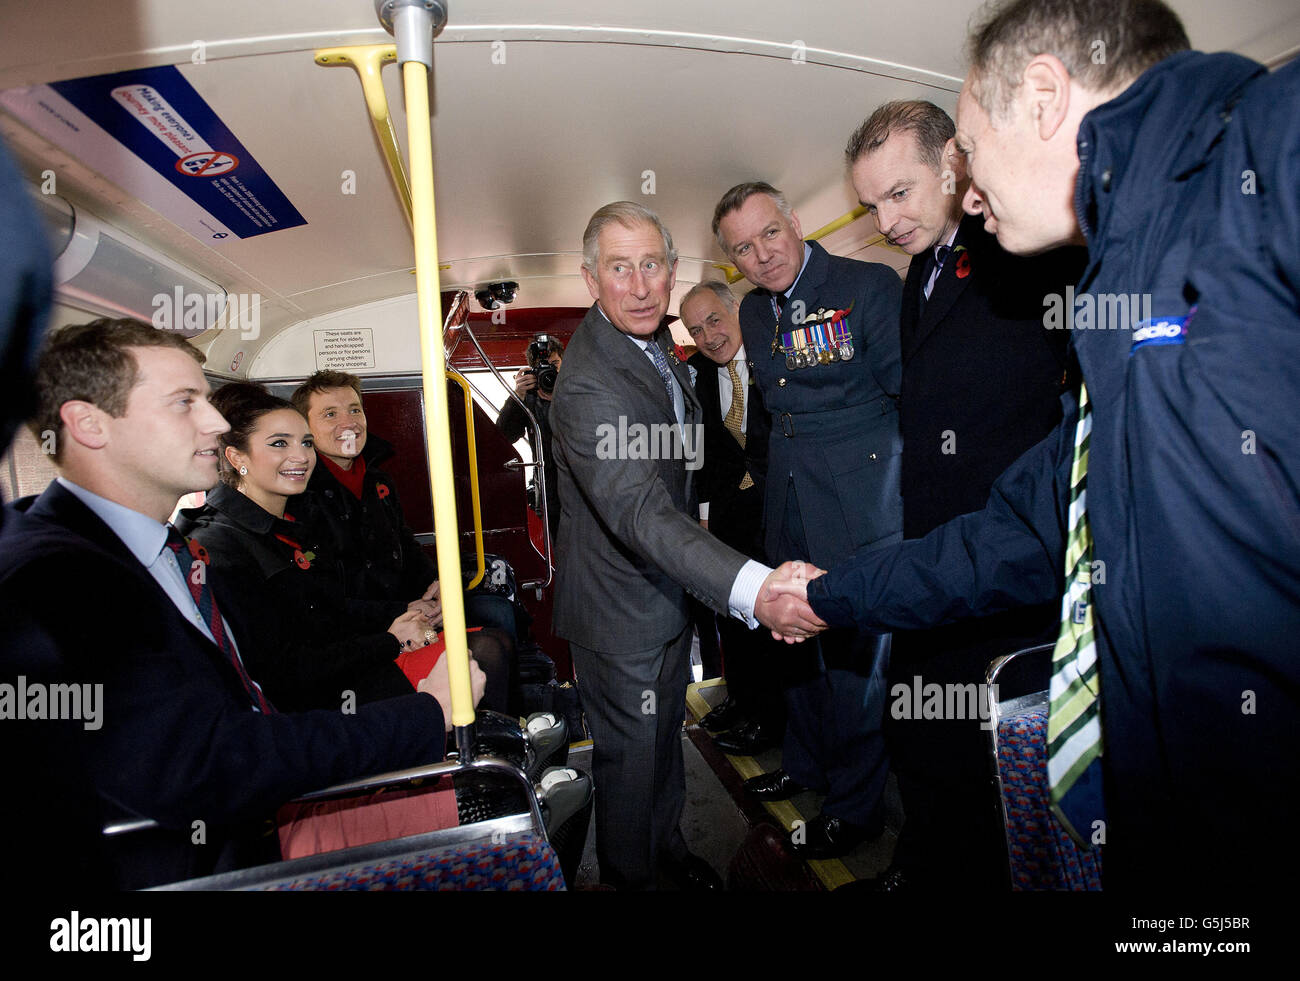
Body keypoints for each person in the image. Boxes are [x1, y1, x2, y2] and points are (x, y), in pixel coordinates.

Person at [771, 0, 1300, 891]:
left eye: (969, 149)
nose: (967, 190)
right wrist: (839, 592)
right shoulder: (1116, 290)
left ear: (1046, 96)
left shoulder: (1271, 151)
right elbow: (1020, 528)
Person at [0, 318, 482, 887]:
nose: (216, 422)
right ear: (88, 424)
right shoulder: (59, 577)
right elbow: (206, 765)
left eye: (208, 398)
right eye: (186, 403)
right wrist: (427, 714)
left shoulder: (158, 547)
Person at [843, 99, 1085, 890]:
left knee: (992, 758)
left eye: (900, 192)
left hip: (1006, 556)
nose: (885, 218)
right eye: (872, 202)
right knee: (920, 731)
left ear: (954, 163)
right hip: (934, 552)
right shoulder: (920, 271)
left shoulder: (1026, 244)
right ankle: (926, 865)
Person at [549, 200, 821, 890]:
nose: (639, 285)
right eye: (619, 268)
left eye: (651, 265)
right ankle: (632, 879)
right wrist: (754, 587)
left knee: (662, 745)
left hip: (660, 592)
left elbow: (672, 468)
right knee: (631, 765)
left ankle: (666, 853)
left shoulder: (652, 347)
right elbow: (638, 508)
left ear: (671, 270)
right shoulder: (588, 384)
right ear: (590, 280)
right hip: (619, 615)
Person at [713, 182, 903, 859]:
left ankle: (856, 809)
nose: (761, 256)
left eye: (769, 233)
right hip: (789, 500)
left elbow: (905, 394)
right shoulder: (755, 315)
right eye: (742, 248)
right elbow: (775, 409)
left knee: (855, 665)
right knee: (793, 645)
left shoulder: (867, 285)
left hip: (859, 505)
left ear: (793, 223)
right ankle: (807, 765)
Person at [175, 382, 511, 714]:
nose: (301, 456)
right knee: (482, 653)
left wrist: (408, 612)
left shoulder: (282, 528)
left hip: (345, 659)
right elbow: (280, 671)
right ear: (236, 457)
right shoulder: (221, 546)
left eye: (306, 443)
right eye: (279, 444)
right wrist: (391, 640)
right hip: (314, 700)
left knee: (486, 645)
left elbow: (330, 609)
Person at [292, 370, 518, 641]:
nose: (348, 423)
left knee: (499, 613)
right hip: (358, 628)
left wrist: (437, 586)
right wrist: (402, 610)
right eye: (330, 414)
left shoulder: (378, 482)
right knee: (490, 642)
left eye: (354, 410)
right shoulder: (300, 494)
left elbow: (406, 546)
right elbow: (321, 598)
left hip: (406, 604)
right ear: (305, 427)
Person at [681, 281, 783, 756]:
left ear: (737, 309)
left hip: (779, 508)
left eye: (715, 321)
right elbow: (696, 454)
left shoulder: (776, 355)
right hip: (728, 515)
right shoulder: (695, 375)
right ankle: (741, 701)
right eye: (697, 330)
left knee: (774, 620)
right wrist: (703, 515)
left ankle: (771, 717)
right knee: (734, 616)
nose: (709, 337)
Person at [497, 333, 564, 539]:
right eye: (544, 366)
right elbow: (503, 437)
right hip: (547, 491)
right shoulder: (529, 399)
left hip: (580, 486)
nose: (550, 371)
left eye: (554, 364)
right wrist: (518, 397)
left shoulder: (577, 390)